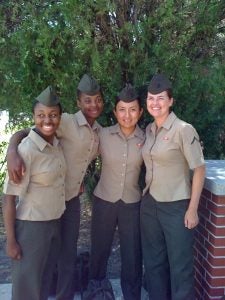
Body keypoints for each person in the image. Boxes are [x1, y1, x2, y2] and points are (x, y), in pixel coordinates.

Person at [6, 74, 104, 300]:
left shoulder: (99, 131)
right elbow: (31, 132)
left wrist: (79, 183)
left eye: (97, 99)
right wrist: (12, 149)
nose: (93, 105)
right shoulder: (65, 121)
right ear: (78, 102)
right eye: (87, 100)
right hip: (44, 202)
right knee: (41, 257)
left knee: (66, 256)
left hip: (69, 201)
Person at [140, 74, 205, 300]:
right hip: (150, 205)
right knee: (154, 263)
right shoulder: (149, 129)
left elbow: (199, 169)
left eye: (160, 98)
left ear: (170, 101)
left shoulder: (183, 129)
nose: (155, 103)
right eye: (150, 98)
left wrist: (192, 209)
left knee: (180, 266)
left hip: (176, 207)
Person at [3, 86, 66, 300]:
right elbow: (9, 199)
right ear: (33, 117)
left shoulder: (56, 144)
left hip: (54, 224)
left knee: (44, 283)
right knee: (26, 289)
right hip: (31, 228)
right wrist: (11, 240)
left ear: (60, 117)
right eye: (41, 115)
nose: (47, 120)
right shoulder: (26, 151)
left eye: (53, 115)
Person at [87, 84, 145, 300]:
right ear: (115, 112)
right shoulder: (103, 134)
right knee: (99, 250)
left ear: (140, 112)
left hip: (132, 203)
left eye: (132, 109)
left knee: (132, 254)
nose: (127, 115)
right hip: (104, 200)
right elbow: (81, 153)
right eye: (122, 109)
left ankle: (132, 295)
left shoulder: (146, 138)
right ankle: (95, 291)